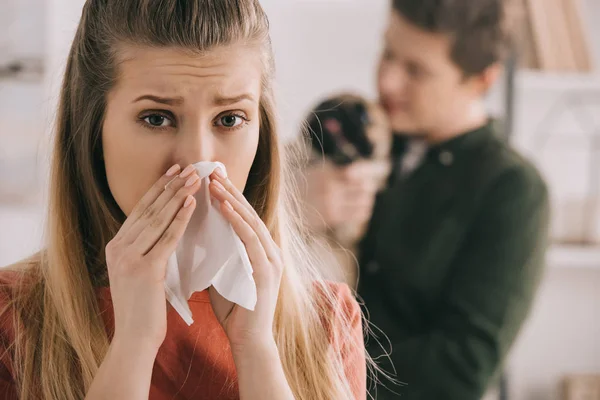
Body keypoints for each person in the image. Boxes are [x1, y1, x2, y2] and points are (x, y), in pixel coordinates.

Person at [0, 1, 368, 399]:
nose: (196, 159)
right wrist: (133, 345)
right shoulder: (13, 318)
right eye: (157, 118)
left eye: (229, 119)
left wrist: (257, 349)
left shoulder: (326, 321)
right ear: (93, 130)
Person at [302, 0, 550, 399]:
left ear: (482, 80)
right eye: (387, 52)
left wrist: (315, 370)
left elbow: (461, 367)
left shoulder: (514, 190)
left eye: (416, 71)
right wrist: (297, 206)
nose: (387, 81)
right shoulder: (355, 133)